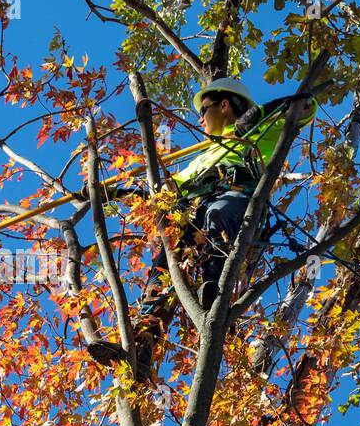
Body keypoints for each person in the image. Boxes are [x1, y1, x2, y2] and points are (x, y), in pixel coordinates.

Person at [88, 77, 274, 384]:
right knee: (164, 266)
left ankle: (215, 290)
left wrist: (258, 117)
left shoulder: (259, 133)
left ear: (224, 105)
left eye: (204, 110)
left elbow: (306, 106)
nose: (199, 118)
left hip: (236, 200)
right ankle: (139, 346)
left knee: (218, 213)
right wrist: (109, 193)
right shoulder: (201, 158)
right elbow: (161, 192)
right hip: (196, 214)